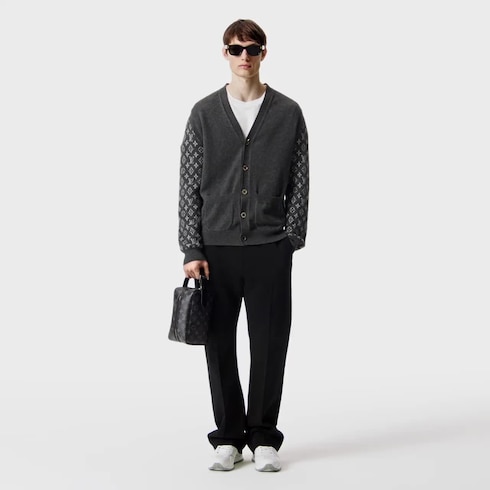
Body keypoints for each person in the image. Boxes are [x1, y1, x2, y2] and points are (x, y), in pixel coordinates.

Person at [177, 18, 309, 472]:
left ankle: (264, 437)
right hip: (215, 251)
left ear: (263, 53)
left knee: (270, 343)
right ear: (225, 53)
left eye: (252, 48)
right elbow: (188, 184)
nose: (244, 56)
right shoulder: (204, 113)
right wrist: (191, 247)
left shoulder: (288, 112)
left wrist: (292, 238)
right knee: (219, 345)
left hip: (271, 247)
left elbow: (300, 177)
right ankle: (229, 438)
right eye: (236, 49)